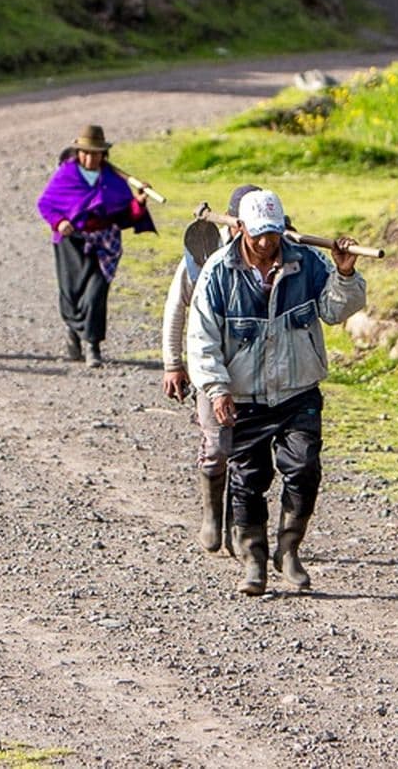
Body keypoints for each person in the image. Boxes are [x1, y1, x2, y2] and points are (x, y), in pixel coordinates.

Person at [187, 189, 365, 595]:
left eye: (274, 233)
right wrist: (216, 390)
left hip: (297, 391)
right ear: (242, 230)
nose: (268, 243)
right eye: (259, 234)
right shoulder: (218, 272)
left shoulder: (307, 263)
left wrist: (345, 274)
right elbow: (202, 341)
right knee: (248, 479)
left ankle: (288, 551)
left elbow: (335, 312)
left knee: (304, 468)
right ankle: (253, 560)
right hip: (244, 396)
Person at [162, 183, 259, 553]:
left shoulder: (271, 252)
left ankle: (240, 524)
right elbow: (175, 310)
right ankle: (211, 514)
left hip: (257, 370)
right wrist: (174, 364)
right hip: (210, 365)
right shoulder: (201, 254)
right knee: (218, 445)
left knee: (250, 450)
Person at [35, 124, 154, 368]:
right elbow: (46, 204)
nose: (90, 158)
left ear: (103, 154)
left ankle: (93, 345)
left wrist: (139, 203)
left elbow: (124, 217)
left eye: (96, 153)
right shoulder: (65, 175)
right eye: (86, 153)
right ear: (78, 153)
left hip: (104, 244)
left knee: (96, 293)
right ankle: (73, 333)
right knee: (72, 293)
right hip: (72, 242)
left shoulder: (112, 180)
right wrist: (59, 222)